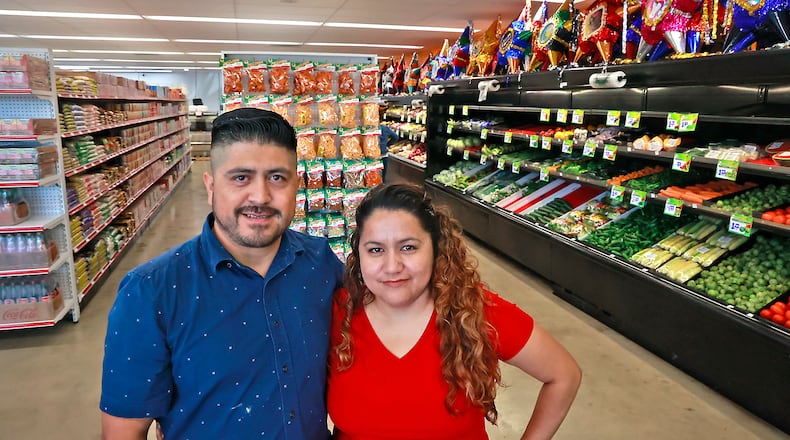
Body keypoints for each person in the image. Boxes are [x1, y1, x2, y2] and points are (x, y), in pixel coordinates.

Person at [100, 108, 344, 439]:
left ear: (296, 186)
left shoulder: (322, 264)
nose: (260, 196)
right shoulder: (150, 291)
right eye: (240, 177)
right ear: (211, 186)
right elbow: (123, 431)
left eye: (277, 177)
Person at [328, 184, 581, 440]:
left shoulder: (472, 311)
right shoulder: (336, 313)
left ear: (435, 249)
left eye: (408, 247)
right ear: (358, 255)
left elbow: (563, 375)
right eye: (376, 250)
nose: (392, 266)